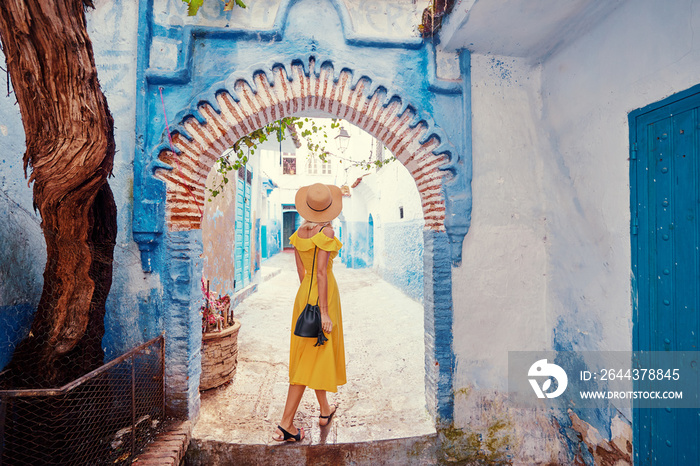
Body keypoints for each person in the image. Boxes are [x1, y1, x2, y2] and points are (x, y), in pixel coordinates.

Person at [273, 183, 346, 443]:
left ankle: (325, 409)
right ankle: (286, 424)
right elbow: (323, 273)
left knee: (315, 354)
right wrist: (323, 311)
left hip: (304, 295)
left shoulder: (299, 232)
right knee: (309, 357)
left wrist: (309, 296)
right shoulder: (327, 231)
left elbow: (302, 273)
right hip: (322, 298)